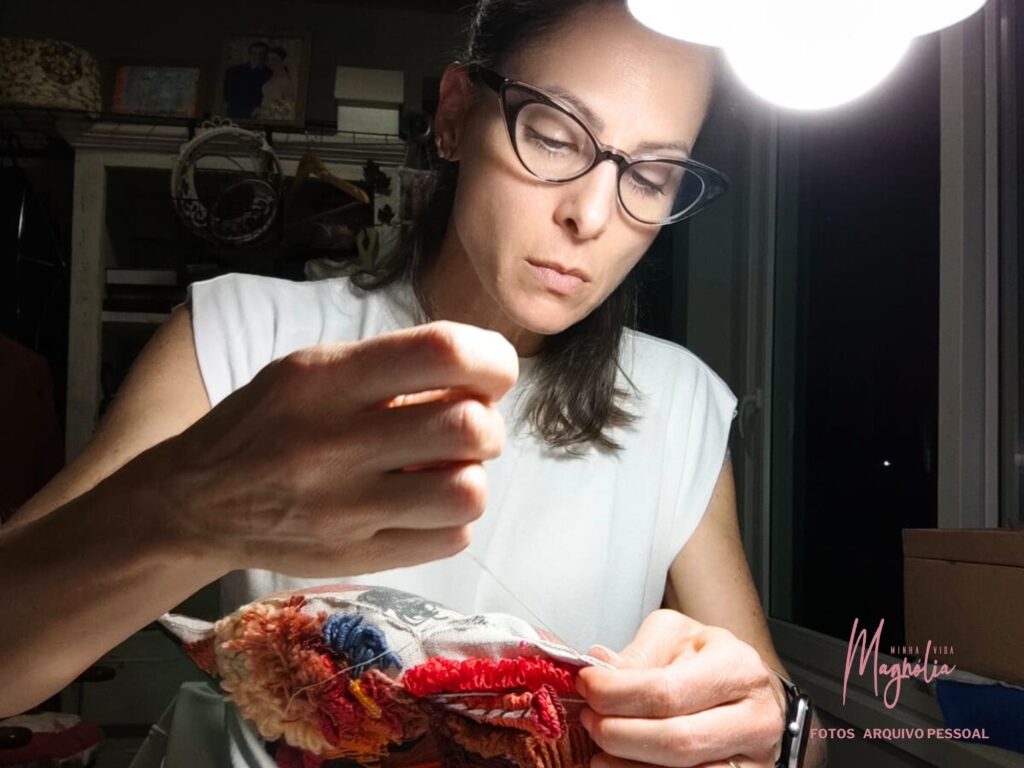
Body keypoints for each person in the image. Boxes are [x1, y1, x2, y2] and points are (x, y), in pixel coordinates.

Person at [1, 1, 826, 766]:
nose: (593, 216)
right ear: (456, 113)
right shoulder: (244, 336)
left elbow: (788, 727)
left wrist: (770, 730)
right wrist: (186, 513)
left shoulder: (675, 404)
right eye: (554, 136)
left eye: (650, 176)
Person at [223, 41, 271, 118]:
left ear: (266, 55)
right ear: (249, 54)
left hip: (261, 115)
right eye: (254, 53)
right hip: (236, 113)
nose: (258, 56)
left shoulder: (270, 74)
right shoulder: (234, 71)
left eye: (261, 53)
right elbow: (227, 94)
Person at [254, 46, 296, 121]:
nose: (270, 62)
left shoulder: (287, 80)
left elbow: (289, 105)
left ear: (283, 61)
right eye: (268, 59)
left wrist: (268, 111)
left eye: (274, 59)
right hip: (264, 117)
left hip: (278, 118)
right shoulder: (268, 77)